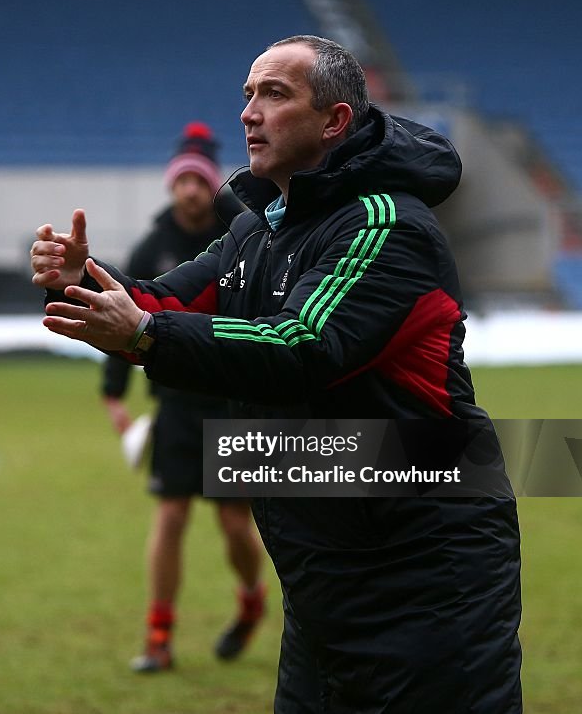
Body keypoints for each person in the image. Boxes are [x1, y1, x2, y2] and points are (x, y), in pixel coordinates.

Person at [30, 35, 522, 712]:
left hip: (427, 579)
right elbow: (161, 302)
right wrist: (76, 280)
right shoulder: (257, 232)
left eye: (274, 93)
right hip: (323, 580)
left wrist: (145, 335)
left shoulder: (385, 225)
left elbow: (300, 347)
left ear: (334, 121)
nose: (248, 113)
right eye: (247, 95)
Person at [101, 122, 266, 673]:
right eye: (182, 182)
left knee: (234, 525)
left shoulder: (242, 232)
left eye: (199, 181)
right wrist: (114, 395)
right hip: (175, 400)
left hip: (230, 399)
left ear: (210, 184)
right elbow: (119, 313)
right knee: (170, 517)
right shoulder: (155, 242)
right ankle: (158, 637)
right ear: (172, 187)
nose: (190, 191)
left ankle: (251, 599)